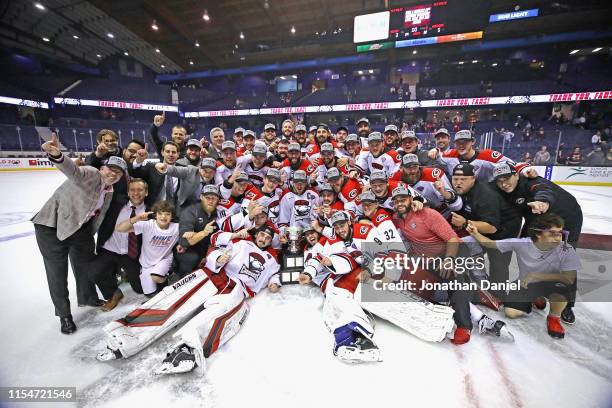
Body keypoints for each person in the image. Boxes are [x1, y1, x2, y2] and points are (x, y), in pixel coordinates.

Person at [97, 225, 281, 375]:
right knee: (173, 299)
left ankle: (187, 352)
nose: (264, 239)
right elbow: (215, 242)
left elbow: (274, 275)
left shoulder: (272, 259)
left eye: (267, 237)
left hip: (238, 288)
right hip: (214, 274)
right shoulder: (240, 241)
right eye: (262, 234)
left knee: (219, 314)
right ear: (257, 234)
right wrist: (218, 257)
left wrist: (274, 283)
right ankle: (128, 334)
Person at [390, 185, 508, 344]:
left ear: (411, 199)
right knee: (422, 289)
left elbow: (452, 239)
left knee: (453, 279)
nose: (399, 203)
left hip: (455, 250)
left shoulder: (428, 214)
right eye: (396, 201)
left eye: (403, 199)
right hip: (430, 259)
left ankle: (464, 326)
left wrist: (449, 260)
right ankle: (475, 298)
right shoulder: (397, 219)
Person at [33, 133, 126, 334]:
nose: (113, 174)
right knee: (57, 273)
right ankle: (64, 316)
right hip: (51, 226)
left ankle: (88, 298)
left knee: (86, 265)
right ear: (102, 168)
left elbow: (97, 215)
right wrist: (57, 155)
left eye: (118, 172)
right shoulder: (91, 173)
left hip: (80, 230)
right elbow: (73, 170)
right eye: (111, 169)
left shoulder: (108, 191)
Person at [491, 162, 583, 323]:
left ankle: (567, 305)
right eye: (499, 181)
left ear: (516, 176)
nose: (504, 184)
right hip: (537, 219)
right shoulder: (501, 187)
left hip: (566, 218)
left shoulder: (530, 182)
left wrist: (543, 202)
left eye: (507, 179)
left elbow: (543, 190)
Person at [466, 213, 581, 339]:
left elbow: (569, 278)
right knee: (511, 313)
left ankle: (554, 317)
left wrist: (536, 276)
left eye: (560, 233)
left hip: (551, 282)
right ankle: (537, 298)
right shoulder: (522, 243)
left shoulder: (566, 249)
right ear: (538, 233)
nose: (558, 237)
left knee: (563, 287)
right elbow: (490, 243)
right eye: (553, 233)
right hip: (525, 283)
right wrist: (475, 233)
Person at [89, 178, 148, 311]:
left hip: (131, 253)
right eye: (132, 190)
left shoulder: (150, 211)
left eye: (140, 190)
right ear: (127, 192)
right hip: (110, 249)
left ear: (147, 192)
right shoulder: (115, 205)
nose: (136, 193)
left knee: (139, 288)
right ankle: (113, 293)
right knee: (94, 271)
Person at [116, 200, 179, 297]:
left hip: (164, 259)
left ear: (172, 216)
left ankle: (170, 278)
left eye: (167, 214)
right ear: (155, 215)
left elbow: (190, 233)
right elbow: (120, 228)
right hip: (146, 264)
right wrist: (136, 218)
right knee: (149, 294)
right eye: (160, 213)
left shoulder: (176, 227)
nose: (163, 217)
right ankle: (162, 282)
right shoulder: (148, 225)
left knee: (156, 277)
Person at [175, 185, 221, 277]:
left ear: (218, 200)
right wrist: (203, 233)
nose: (211, 201)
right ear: (201, 197)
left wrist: (207, 254)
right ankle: (181, 277)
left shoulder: (219, 211)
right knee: (192, 257)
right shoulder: (190, 211)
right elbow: (184, 242)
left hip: (208, 247)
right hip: (189, 250)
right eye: (207, 198)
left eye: (214, 198)